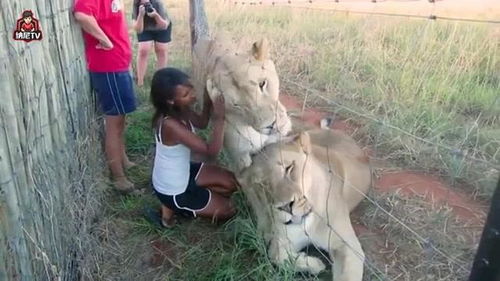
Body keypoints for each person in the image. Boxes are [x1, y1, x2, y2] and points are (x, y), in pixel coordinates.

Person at [150, 67, 237, 226]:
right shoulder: (170, 125)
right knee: (229, 209)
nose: (193, 95)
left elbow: (202, 123)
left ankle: (188, 201)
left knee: (232, 183)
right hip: (174, 190)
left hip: (183, 171)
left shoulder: (179, 108)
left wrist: (208, 97)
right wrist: (220, 117)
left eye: (191, 89)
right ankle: (173, 207)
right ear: (170, 100)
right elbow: (212, 152)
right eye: (186, 94)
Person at [74, 0, 137, 193]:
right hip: (108, 67)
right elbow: (82, 14)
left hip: (118, 63)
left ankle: (123, 158)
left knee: (121, 118)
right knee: (114, 122)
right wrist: (106, 41)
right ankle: (118, 178)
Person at [132, 0, 171, 87]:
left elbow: (164, 25)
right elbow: (138, 29)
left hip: (161, 26)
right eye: (143, 4)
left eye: (147, 4)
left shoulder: (158, 3)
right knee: (143, 50)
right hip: (144, 26)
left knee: (161, 49)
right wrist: (141, 15)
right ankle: (140, 81)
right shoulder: (136, 5)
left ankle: (161, 80)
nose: (145, 6)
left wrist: (156, 15)